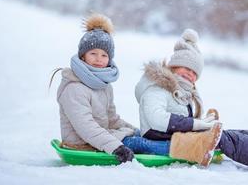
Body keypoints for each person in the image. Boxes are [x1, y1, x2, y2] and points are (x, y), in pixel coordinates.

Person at [135, 29, 248, 171]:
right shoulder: (157, 87)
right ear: (174, 66)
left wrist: (203, 122)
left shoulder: (181, 90)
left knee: (225, 133)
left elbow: (180, 118)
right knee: (221, 138)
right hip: (158, 136)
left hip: (171, 133)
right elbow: (156, 119)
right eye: (187, 68)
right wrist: (198, 125)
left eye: (194, 72)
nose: (190, 74)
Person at [55, 13, 170, 164]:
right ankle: (186, 149)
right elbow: (86, 127)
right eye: (93, 53)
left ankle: (189, 140)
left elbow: (112, 120)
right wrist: (116, 147)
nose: (98, 59)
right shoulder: (74, 88)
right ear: (83, 56)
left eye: (104, 55)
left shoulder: (103, 85)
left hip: (100, 138)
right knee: (141, 144)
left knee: (143, 136)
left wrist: (139, 131)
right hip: (81, 144)